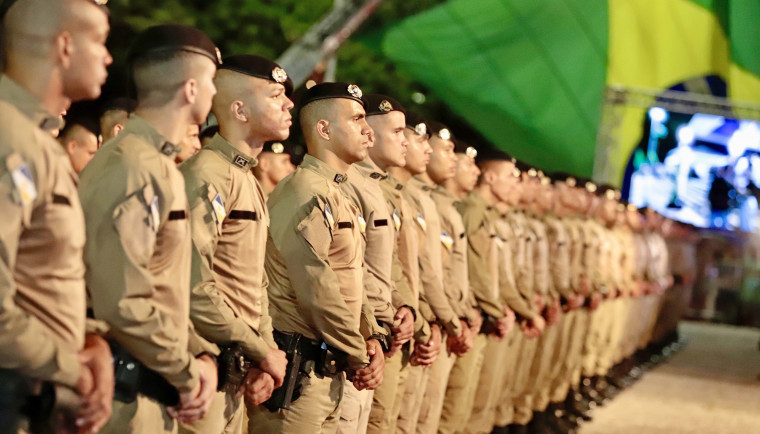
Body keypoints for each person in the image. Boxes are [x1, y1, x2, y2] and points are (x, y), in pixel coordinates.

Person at [79, 24, 222, 433]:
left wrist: (201, 354)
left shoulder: (157, 164)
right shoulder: (133, 166)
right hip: (127, 392)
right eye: (212, 82)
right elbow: (122, 300)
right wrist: (188, 371)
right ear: (191, 88)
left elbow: (163, 284)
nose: (215, 95)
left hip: (153, 379)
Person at [0, 0, 113, 432]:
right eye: (100, 41)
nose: (108, 56)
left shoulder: (38, 141)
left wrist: (89, 340)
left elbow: (42, 277)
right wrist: (73, 369)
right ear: (64, 46)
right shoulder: (11, 139)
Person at [248, 82, 386, 433]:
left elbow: (348, 275)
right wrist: (359, 351)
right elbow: (316, 289)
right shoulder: (305, 191)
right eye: (356, 119)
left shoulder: (336, 192)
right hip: (300, 376)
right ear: (323, 129)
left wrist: (371, 335)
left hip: (329, 366)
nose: (368, 129)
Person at [178, 54, 293, 434]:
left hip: (239, 368)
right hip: (204, 366)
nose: (289, 104)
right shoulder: (206, 174)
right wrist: (263, 351)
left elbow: (252, 281)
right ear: (239, 109)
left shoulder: (246, 177)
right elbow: (193, 284)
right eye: (276, 95)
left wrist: (264, 349)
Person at [390, 112, 451, 434]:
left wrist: (439, 322)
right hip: (391, 332)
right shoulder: (392, 195)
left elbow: (427, 273)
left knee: (416, 417)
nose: (426, 150)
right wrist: (436, 322)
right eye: (419, 140)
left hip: (420, 325)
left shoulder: (414, 199)